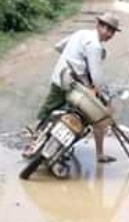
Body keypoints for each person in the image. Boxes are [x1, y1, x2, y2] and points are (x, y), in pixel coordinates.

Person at [30, 12, 122, 163]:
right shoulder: (96, 47)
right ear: (99, 26)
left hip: (60, 77)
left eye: (112, 31)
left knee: (47, 109)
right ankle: (99, 154)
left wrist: (71, 56)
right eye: (107, 29)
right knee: (98, 117)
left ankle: (35, 136)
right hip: (76, 87)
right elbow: (97, 78)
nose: (109, 34)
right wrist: (107, 98)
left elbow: (58, 46)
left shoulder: (81, 33)